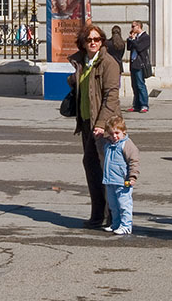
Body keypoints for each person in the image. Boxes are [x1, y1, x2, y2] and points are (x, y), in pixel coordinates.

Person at [68, 23, 122, 228]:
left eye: (97, 39)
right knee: (92, 167)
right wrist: (72, 80)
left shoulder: (108, 63)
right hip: (86, 122)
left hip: (105, 125)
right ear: (82, 43)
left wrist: (100, 124)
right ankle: (98, 214)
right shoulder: (83, 62)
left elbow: (111, 96)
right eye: (89, 40)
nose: (93, 43)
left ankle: (111, 215)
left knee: (106, 169)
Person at [102, 116, 140, 236]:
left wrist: (132, 176)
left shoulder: (127, 145)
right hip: (110, 180)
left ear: (124, 131)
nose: (114, 136)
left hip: (123, 181)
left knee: (124, 205)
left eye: (117, 133)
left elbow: (134, 161)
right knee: (113, 205)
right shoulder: (108, 144)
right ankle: (116, 223)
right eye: (111, 133)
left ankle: (126, 226)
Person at [126, 20, 151, 112]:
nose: (132, 28)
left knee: (140, 84)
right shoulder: (135, 37)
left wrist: (133, 40)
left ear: (139, 27)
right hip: (133, 63)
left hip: (140, 64)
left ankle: (144, 105)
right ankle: (136, 105)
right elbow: (129, 48)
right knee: (134, 85)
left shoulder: (145, 37)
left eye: (133, 26)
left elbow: (140, 48)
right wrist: (130, 39)